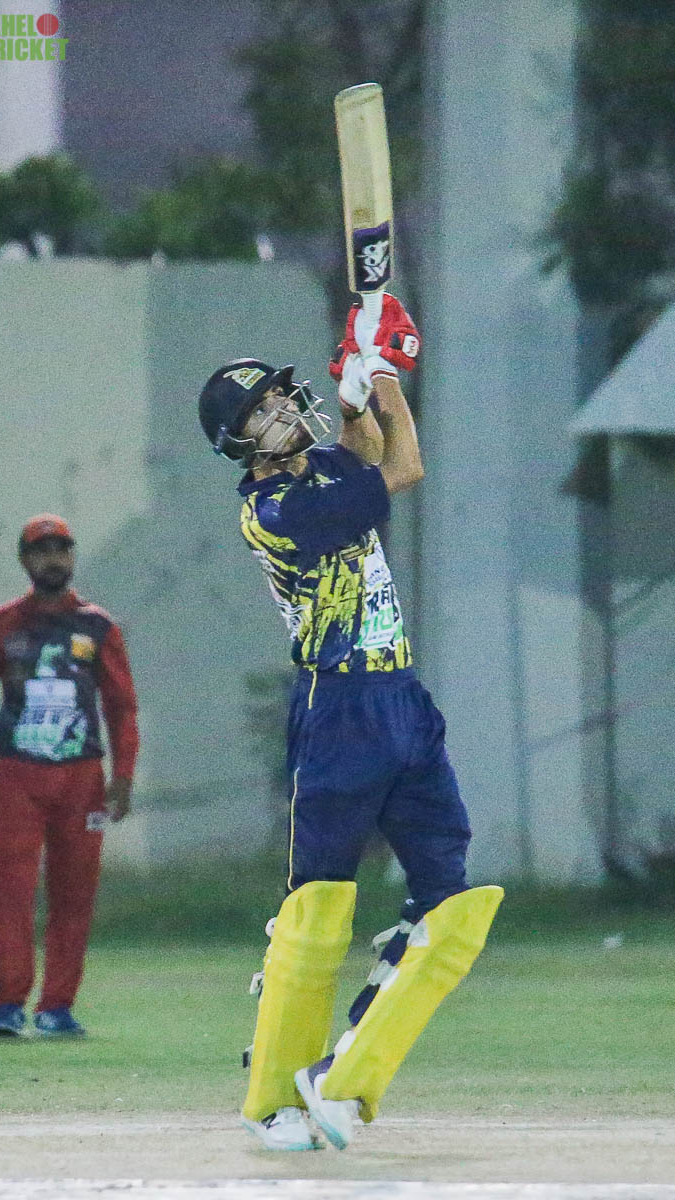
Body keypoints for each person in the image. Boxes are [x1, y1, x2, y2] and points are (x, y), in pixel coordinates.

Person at [198, 293, 503, 1151]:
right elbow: (401, 467)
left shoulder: (321, 471)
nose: (281, 409)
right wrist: (384, 380)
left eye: (280, 395)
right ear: (237, 441)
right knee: (319, 906)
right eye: (262, 410)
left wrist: (358, 384)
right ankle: (272, 1100)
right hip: (337, 711)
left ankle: (341, 1085)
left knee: (454, 903)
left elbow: (363, 451)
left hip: (401, 697)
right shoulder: (274, 512)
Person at [0, 514, 139, 1039]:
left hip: (81, 778)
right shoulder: (1, 625)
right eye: (41, 551)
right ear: (25, 560)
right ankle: (8, 1005)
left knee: (74, 894)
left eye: (61, 550)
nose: (53, 560)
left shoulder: (97, 626)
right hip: (18, 776)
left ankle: (56, 1007)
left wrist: (123, 774)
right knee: (13, 893)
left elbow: (121, 706)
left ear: (72, 557)